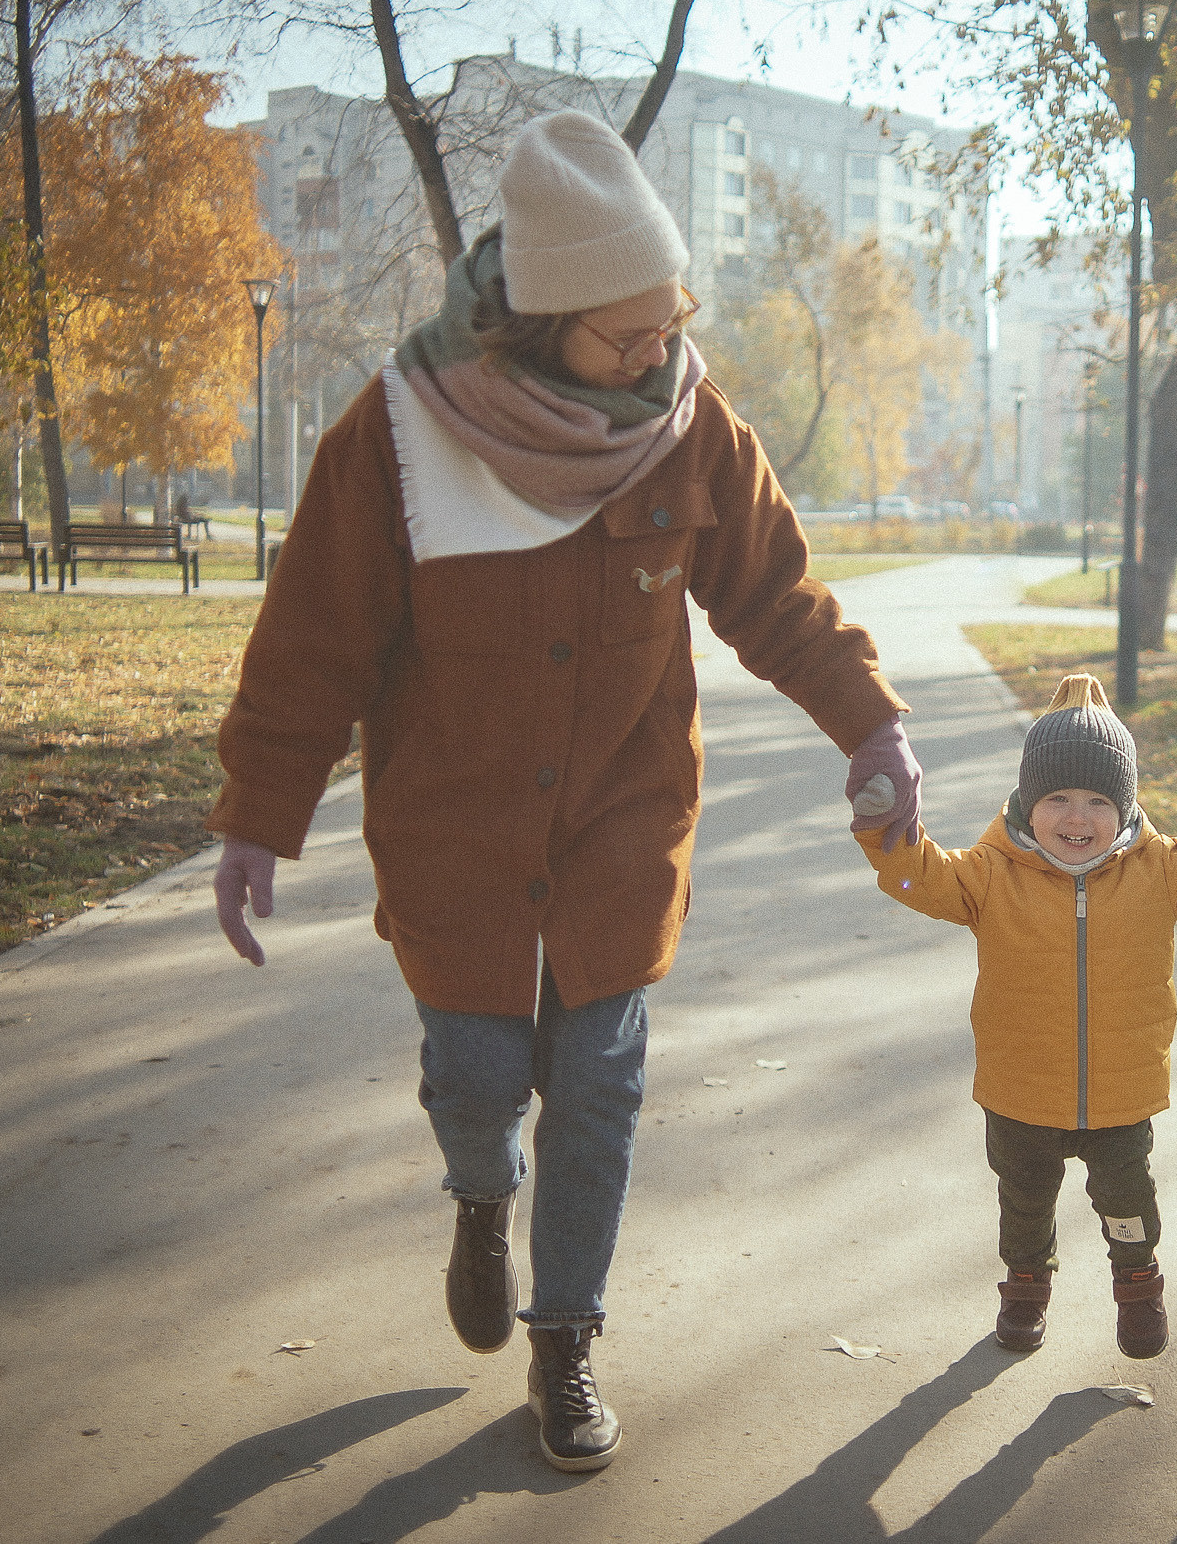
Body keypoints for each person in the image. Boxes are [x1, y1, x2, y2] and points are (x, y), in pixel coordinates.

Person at [204, 110, 923, 1473]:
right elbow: (314, 639)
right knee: (479, 1075)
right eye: (624, 333)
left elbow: (775, 594)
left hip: (618, 823)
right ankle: (481, 1190)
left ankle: (566, 1334)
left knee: (598, 1081)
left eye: (670, 319)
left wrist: (872, 723)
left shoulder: (691, 424)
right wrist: (254, 815)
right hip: (456, 830)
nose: (658, 351)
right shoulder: (404, 434)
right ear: (539, 320)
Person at [855, 674, 1177, 1359]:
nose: (1076, 817)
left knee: (1129, 1200)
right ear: (1028, 801)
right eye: (1057, 798)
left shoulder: (1160, 871)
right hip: (1020, 1091)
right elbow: (920, 877)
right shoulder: (991, 873)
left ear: (1126, 806)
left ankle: (1138, 1286)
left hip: (1120, 1091)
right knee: (1024, 1204)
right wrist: (885, 830)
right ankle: (1025, 1290)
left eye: (1097, 800)